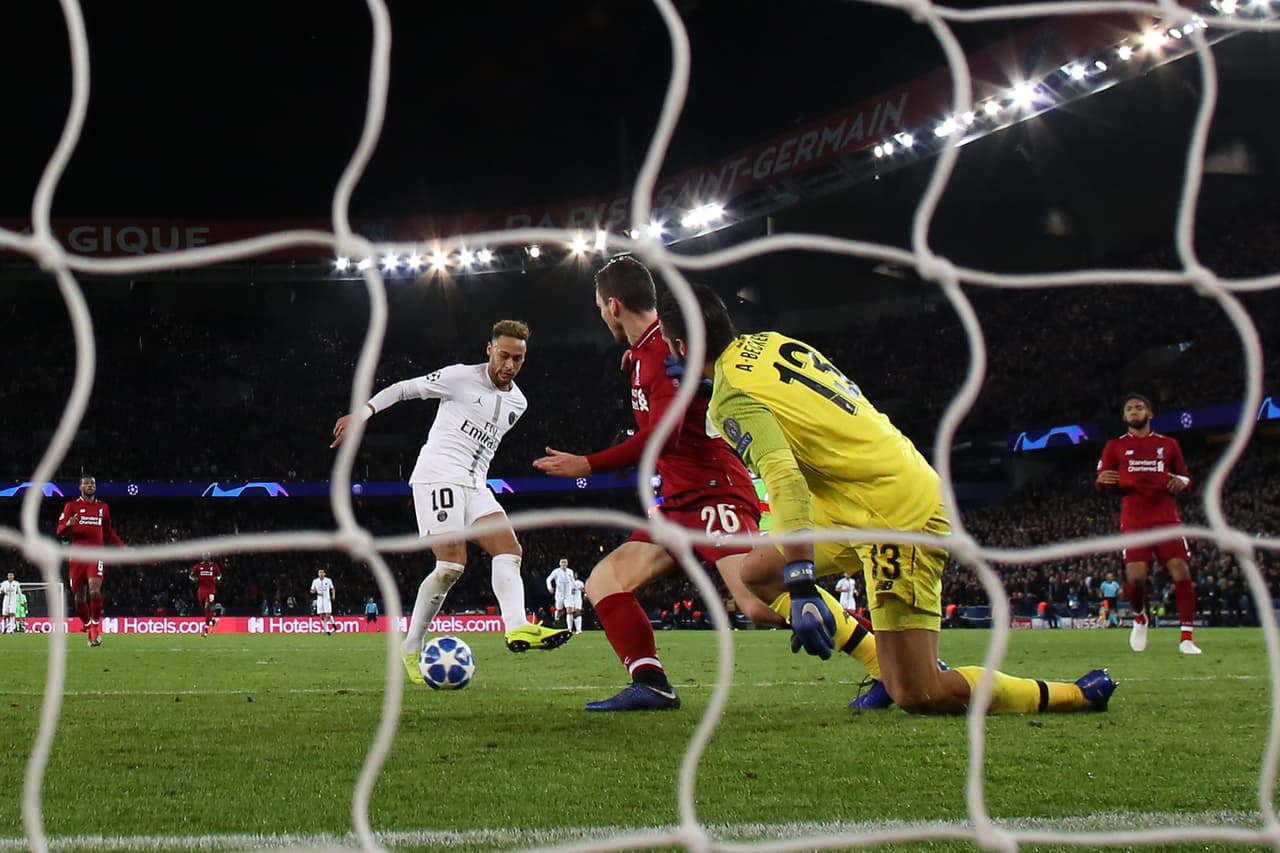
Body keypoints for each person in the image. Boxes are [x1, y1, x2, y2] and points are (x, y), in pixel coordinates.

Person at [656, 281, 1117, 715]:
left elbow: (786, 481)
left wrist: (801, 585)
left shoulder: (731, 396)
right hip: (857, 494)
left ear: (680, 346)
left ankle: (1074, 695)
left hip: (895, 515)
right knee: (756, 572)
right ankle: (882, 663)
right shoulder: (770, 342)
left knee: (919, 694)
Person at [535, 256, 879, 711]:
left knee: (758, 601)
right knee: (606, 580)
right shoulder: (649, 350)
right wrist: (639, 359)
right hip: (680, 499)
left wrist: (588, 464)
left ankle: (891, 663)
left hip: (715, 491)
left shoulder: (662, 352)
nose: (600, 315)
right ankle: (651, 682)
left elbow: (664, 437)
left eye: (600, 306)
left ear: (614, 305)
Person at [332, 320, 571, 685]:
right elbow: (404, 389)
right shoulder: (460, 377)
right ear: (489, 349)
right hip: (437, 476)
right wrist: (362, 414)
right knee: (451, 565)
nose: (509, 365)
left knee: (509, 549)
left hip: (475, 484)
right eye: (504, 355)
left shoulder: (519, 402)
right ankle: (411, 647)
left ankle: (518, 627)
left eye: (518, 359)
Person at [1095, 393, 1201, 654]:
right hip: (1135, 520)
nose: (1134, 411)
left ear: (1149, 414)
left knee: (1181, 570)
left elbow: (1186, 477)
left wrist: (1183, 482)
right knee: (1136, 577)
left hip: (1167, 519)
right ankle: (1140, 618)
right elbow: (1101, 481)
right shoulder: (1114, 447)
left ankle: (1186, 637)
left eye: (1139, 407)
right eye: (1129, 408)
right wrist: (1102, 482)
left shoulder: (1169, 444)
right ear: (1124, 416)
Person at [56, 475, 125, 647]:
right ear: (80, 487)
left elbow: (108, 533)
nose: (90, 486)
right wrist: (69, 525)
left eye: (92, 484)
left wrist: (122, 546)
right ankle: (88, 627)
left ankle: (95, 625)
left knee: (94, 590)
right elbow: (59, 531)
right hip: (77, 556)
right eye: (86, 484)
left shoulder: (103, 507)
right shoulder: (71, 506)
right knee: (79, 597)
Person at [189, 553, 222, 636]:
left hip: (211, 590)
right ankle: (213, 620)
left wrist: (217, 579)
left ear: (209, 557)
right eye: (205, 556)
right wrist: (194, 579)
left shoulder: (214, 566)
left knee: (208, 607)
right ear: (202, 557)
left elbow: (219, 575)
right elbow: (190, 576)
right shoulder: (198, 566)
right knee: (205, 607)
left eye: (207, 556)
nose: (206, 557)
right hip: (201, 590)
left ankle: (206, 630)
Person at [546, 558, 574, 628]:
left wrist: (575, 588)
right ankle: (556, 622)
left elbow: (572, 581)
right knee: (559, 611)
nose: (564, 564)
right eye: (562, 562)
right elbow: (548, 579)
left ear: (567, 563)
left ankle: (569, 628)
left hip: (568, 594)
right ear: (560, 564)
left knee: (569, 610)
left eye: (565, 562)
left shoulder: (570, 571)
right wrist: (549, 588)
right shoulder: (556, 571)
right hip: (559, 594)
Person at [310, 568, 336, 635]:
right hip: (319, 599)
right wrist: (314, 591)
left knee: (328, 614)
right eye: (320, 573)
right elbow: (311, 590)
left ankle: (333, 623)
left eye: (322, 573)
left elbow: (332, 588)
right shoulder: (315, 581)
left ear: (324, 574)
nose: (321, 574)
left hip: (327, 598)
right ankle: (327, 631)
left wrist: (333, 595)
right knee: (321, 616)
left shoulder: (328, 580)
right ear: (318, 574)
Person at [564, 569, 585, 634]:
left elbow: (583, 590)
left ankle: (578, 629)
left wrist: (584, 593)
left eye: (575, 574)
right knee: (569, 612)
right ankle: (569, 629)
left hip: (577, 599)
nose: (574, 576)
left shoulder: (580, 582)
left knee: (578, 612)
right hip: (569, 599)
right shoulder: (567, 582)